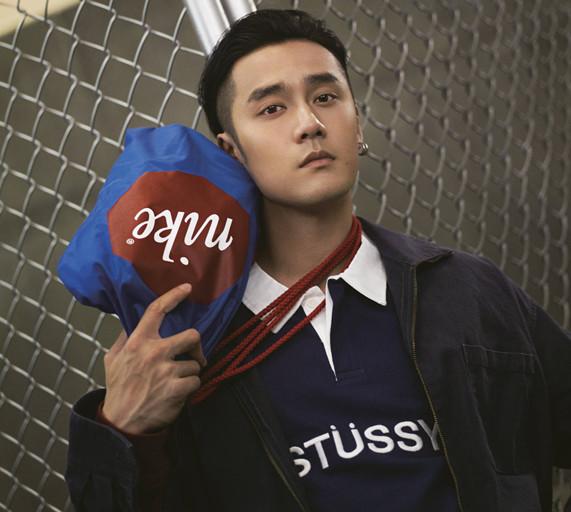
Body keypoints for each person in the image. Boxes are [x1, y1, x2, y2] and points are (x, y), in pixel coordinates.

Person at [65, 9, 571, 512]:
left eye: (325, 97)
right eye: (272, 109)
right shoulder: (192, 347)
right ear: (231, 152)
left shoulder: (469, 289)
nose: (309, 124)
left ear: (358, 123)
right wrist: (123, 432)